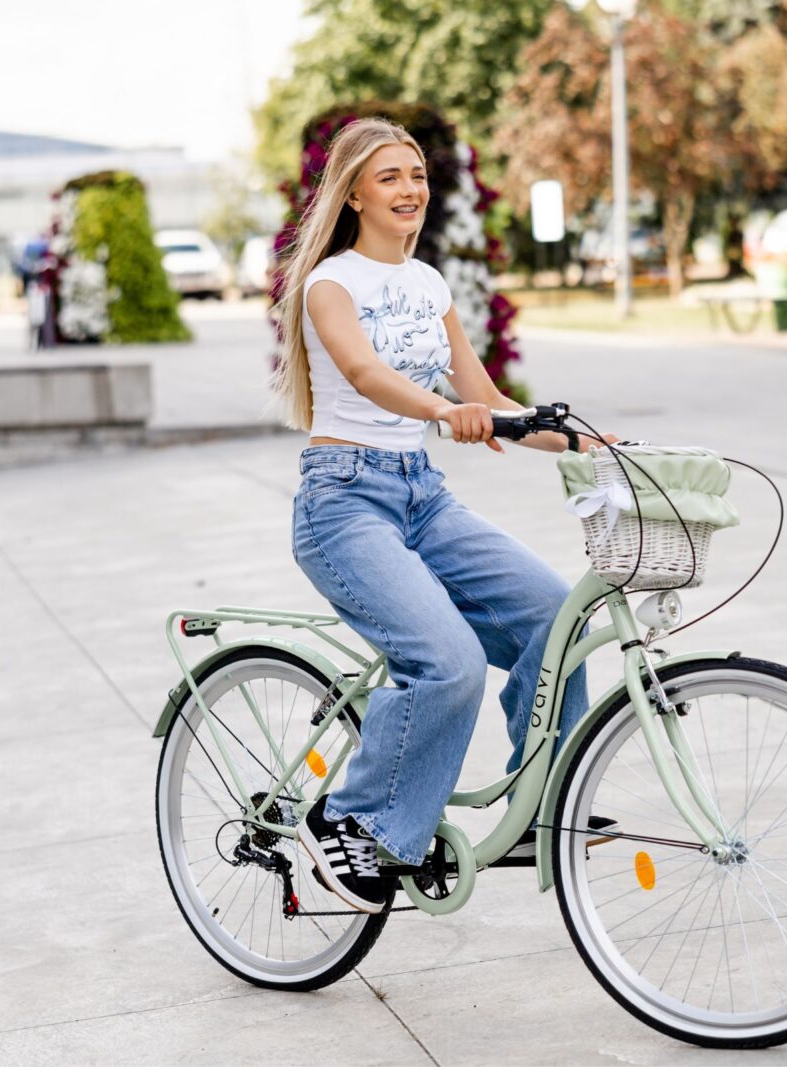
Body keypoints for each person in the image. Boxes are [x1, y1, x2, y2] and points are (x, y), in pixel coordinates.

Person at [273, 118, 616, 913]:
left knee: (551, 618)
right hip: (344, 501)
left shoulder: (429, 285)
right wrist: (442, 409)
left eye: (417, 174)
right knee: (449, 660)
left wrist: (595, 442)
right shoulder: (331, 283)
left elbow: (492, 400)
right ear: (354, 193)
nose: (409, 189)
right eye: (389, 176)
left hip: (422, 496)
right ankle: (351, 820)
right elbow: (361, 373)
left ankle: (538, 807)